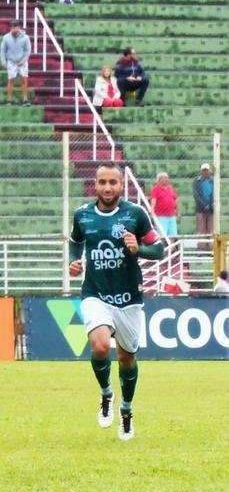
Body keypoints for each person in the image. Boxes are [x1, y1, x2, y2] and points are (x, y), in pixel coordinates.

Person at [67, 164, 167, 440]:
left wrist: (140, 250)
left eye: (113, 182)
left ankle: (126, 410)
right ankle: (106, 394)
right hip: (95, 293)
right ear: (94, 185)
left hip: (129, 298)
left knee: (126, 358)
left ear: (121, 185)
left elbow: (159, 248)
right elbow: (75, 243)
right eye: (102, 182)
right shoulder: (82, 215)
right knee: (99, 346)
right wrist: (73, 262)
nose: (108, 187)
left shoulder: (135, 214)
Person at [0, 20, 31, 106]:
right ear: (11, 28)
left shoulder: (25, 38)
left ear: (19, 28)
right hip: (11, 61)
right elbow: (3, 50)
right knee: (11, 80)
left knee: (24, 80)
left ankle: (25, 99)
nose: (14, 30)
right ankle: (9, 100)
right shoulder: (6, 38)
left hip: (22, 61)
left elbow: (28, 50)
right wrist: (3, 61)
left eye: (16, 27)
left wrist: (23, 61)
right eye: (12, 27)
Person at [148, 172, 179, 242]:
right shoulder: (156, 189)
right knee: (162, 235)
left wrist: (177, 211)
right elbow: (153, 201)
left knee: (173, 234)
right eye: (164, 178)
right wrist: (152, 212)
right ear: (159, 179)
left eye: (167, 178)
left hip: (171, 215)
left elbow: (175, 199)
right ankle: (163, 249)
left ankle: (171, 250)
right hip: (161, 216)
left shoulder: (170, 188)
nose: (167, 179)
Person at [193, 163, 214, 250]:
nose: (205, 172)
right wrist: (204, 205)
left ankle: (211, 247)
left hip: (211, 208)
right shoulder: (197, 181)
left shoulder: (213, 181)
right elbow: (196, 194)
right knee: (201, 228)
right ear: (201, 171)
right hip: (200, 208)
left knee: (211, 228)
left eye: (207, 170)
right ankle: (201, 247)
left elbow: (215, 193)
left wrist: (211, 204)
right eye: (204, 170)